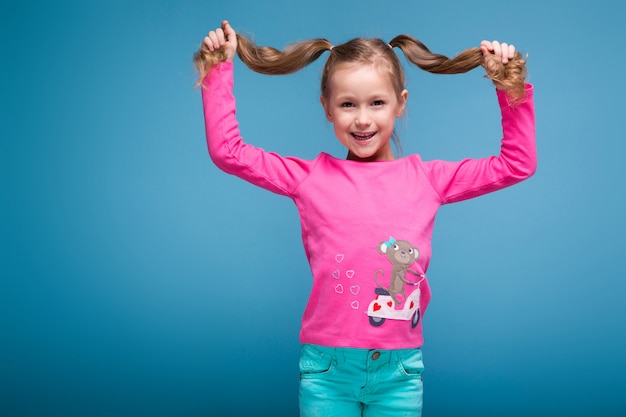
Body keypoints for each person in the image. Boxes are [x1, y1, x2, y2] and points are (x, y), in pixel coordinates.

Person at [194, 20, 536, 417]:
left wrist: (509, 86)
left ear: (400, 103)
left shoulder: (428, 180)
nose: (362, 120)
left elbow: (517, 163)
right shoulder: (310, 179)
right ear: (326, 108)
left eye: (376, 102)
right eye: (347, 104)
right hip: (327, 370)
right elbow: (228, 151)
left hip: (399, 372)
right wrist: (218, 68)